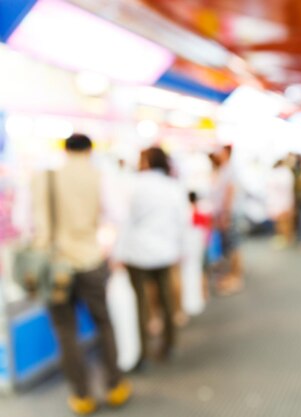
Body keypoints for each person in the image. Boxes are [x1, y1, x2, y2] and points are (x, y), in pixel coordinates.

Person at [31, 134, 131, 415]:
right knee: (103, 323)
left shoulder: (42, 178)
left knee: (65, 331)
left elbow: (24, 220)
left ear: (65, 151)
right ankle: (114, 386)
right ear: (89, 150)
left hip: (52, 267)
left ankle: (81, 395)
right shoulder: (99, 176)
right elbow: (118, 216)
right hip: (89, 259)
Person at [114, 146, 188, 365]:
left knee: (141, 303)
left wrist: (118, 252)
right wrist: (180, 248)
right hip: (165, 251)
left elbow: (125, 221)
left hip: (137, 253)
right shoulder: (172, 187)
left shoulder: (133, 185)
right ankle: (170, 343)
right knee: (166, 299)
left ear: (146, 161)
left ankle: (143, 352)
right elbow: (181, 221)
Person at [210, 145, 244, 295]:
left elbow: (230, 192)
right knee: (229, 246)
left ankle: (236, 277)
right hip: (225, 213)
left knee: (233, 245)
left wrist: (226, 214)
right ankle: (232, 275)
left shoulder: (230, 170)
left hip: (229, 214)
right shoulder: (224, 169)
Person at [267, 159, 295, 248]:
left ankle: (286, 237)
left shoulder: (283, 173)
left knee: (283, 220)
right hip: (281, 200)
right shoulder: (285, 173)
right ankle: (283, 237)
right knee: (281, 220)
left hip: (282, 200)